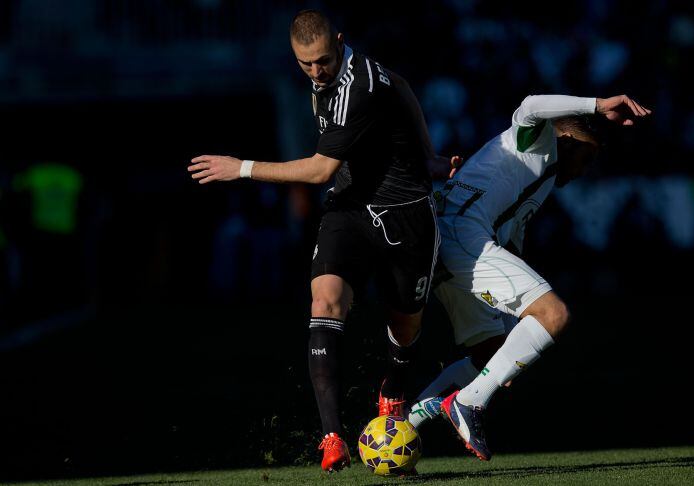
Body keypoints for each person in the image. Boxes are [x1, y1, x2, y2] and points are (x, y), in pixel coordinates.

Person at [188, 10, 446, 472]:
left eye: (322, 61)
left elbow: (318, 169)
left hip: (405, 214)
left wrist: (241, 168)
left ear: (341, 42)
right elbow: (404, 87)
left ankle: (391, 392)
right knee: (324, 301)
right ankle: (332, 437)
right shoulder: (331, 76)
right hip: (348, 207)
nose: (315, 71)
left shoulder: (360, 87)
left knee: (405, 326)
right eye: (304, 64)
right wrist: (429, 152)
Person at [406, 93, 651, 460]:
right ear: (567, 139)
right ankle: (468, 403)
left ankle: (403, 425)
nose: (584, 169)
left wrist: (512, 344)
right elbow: (532, 104)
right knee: (554, 315)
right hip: (461, 235)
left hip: (448, 247)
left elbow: (512, 246)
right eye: (586, 156)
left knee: (490, 354)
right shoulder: (538, 141)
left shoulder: (541, 180)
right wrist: (598, 106)